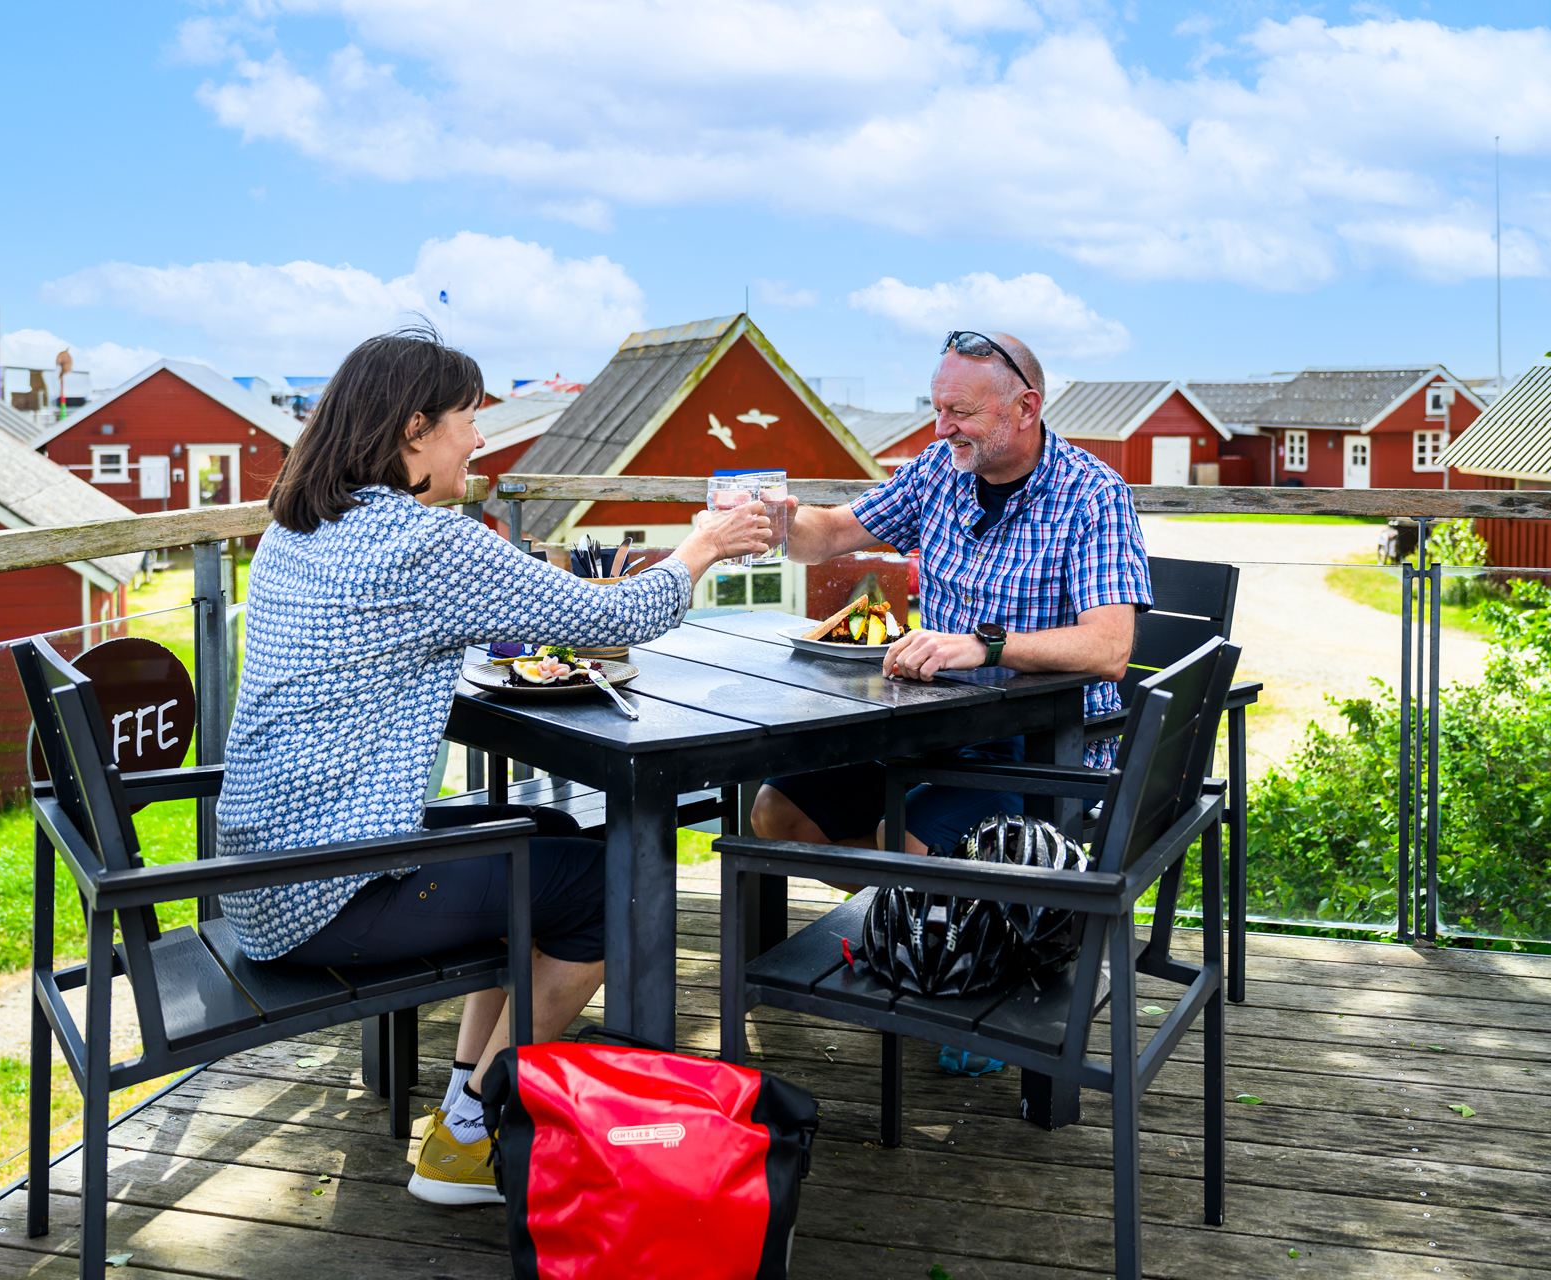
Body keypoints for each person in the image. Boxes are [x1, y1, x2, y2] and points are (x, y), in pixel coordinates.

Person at [216, 326, 773, 1206]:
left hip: (260, 874)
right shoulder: (425, 541)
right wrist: (700, 546)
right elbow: (613, 619)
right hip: (330, 893)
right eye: (468, 419)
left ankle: (465, 1109)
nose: (480, 439)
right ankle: (474, 1132)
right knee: (610, 889)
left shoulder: (298, 525)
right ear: (413, 430)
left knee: (547, 833)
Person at [752, 330, 1152, 1074]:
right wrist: (783, 523)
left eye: (960, 412)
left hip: (1041, 748)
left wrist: (986, 643)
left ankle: (973, 944)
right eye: (937, 409)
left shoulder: (1092, 493)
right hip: (923, 727)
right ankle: (953, 922)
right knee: (776, 818)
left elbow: (1108, 647)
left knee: (899, 843)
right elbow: (832, 534)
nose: (942, 428)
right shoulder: (940, 467)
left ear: (1025, 407)